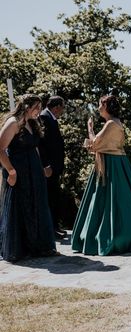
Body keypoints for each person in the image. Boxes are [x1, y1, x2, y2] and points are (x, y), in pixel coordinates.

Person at [71, 95, 131, 255]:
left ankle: (115, 236)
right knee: (119, 198)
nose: (98, 108)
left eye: (100, 105)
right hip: (114, 163)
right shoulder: (114, 123)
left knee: (111, 200)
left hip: (111, 165)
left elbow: (95, 144)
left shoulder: (111, 124)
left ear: (106, 107)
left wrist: (90, 129)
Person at [0, 94, 58, 262]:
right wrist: (11, 171)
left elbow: (35, 148)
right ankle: (21, 248)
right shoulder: (13, 123)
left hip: (33, 171)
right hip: (18, 171)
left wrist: (42, 166)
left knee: (36, 205)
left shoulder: (32, 123)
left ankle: (37, 246)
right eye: (36, 108)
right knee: (21, 206)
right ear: (26, 107)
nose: (39, 111)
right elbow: (1, 148)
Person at [39, 95, 66, 239]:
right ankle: (51, 228)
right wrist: (46, 165)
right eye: (62, 108)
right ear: (56, 107)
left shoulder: (50, 118)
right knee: (50, 197)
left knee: (55, 196)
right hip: (49, 167)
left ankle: (55, 226)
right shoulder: (44, 117)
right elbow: (41, 144)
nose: (62, 111)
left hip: (55, 166)